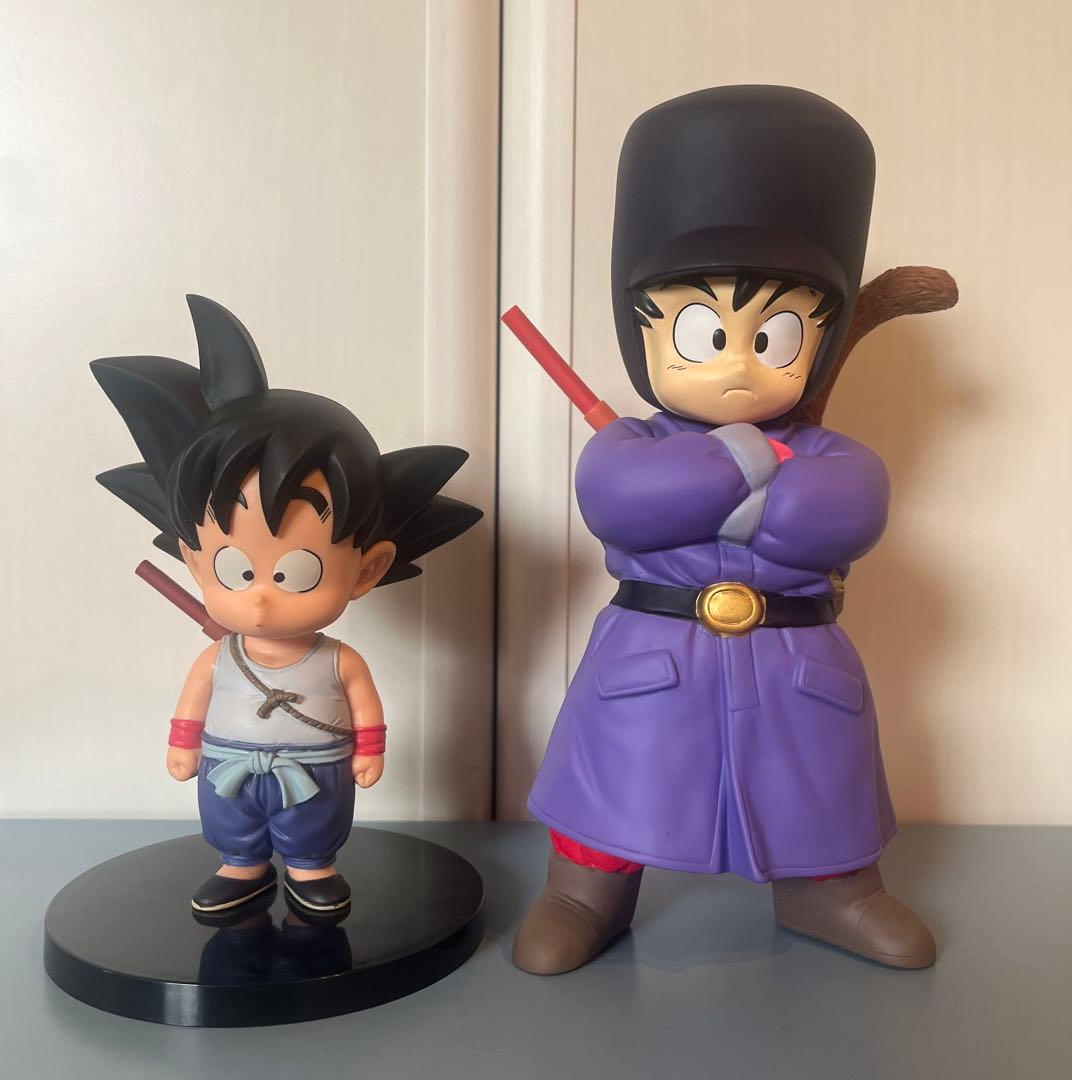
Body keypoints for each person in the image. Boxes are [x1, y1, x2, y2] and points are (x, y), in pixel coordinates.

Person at [514, 86, 937, 973]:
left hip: (797, 664)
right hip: (651, 656)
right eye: (706, 332)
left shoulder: (833, 453)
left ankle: (835, 893)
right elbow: (623, 500)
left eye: (774, 334)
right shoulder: (628, 444)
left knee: (819, 788)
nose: (739, 364)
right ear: (643, 331)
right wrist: (749, 465)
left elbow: (841, 513)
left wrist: (729, 492)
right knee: (616, 781)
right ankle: (584, 893)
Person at [93, 294, 481, 914]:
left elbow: (364, 705)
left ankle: (311, 867)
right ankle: (240, 865)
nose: (261, 595)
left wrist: (370, 749)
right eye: (234, 569)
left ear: (367, 569)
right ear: (194, 561)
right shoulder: (221, 657)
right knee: (231, 822)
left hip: (317, 769)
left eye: (297, 572)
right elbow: (194, 699)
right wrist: (183, 743)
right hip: (228, 763)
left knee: (313, 826)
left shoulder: (339, 660)